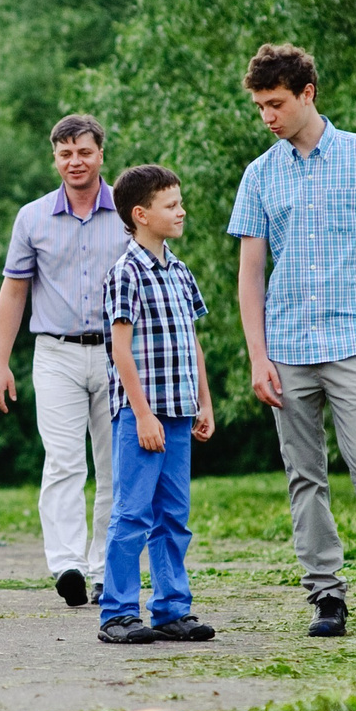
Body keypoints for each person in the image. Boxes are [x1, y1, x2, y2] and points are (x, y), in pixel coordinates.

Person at [225, 43, 356, 639]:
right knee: (304, 476)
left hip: (352, 344)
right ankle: (326, 598)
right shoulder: (259, 174)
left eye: (276, 103)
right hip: (286, 350)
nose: (267, 115)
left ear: (307, 93)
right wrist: (257, 356)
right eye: (260, 106)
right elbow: (250, 273)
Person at [0, 114, 125, 609]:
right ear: (55, 158)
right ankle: (68, 564)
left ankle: (105, 568)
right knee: (65, 461)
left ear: (100, 155)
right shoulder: (33, 217)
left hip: (118, 355)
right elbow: (13, 291)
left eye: (84, 152)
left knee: (114, 466)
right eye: (66, 153)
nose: (75, 162)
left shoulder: (129, 212)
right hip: (55, 353)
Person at [97, 164, 217, 646]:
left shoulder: (180, 271)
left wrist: (203, 402)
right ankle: (118, 613)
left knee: (173, 514)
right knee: (132, 514)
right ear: (141, 214)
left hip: (181, 412)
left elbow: (192, 343)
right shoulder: (125, 273)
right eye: (172, 205)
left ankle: (171, 609)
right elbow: (120, 350)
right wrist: (142, 413)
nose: (181, 210)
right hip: (140, 416)